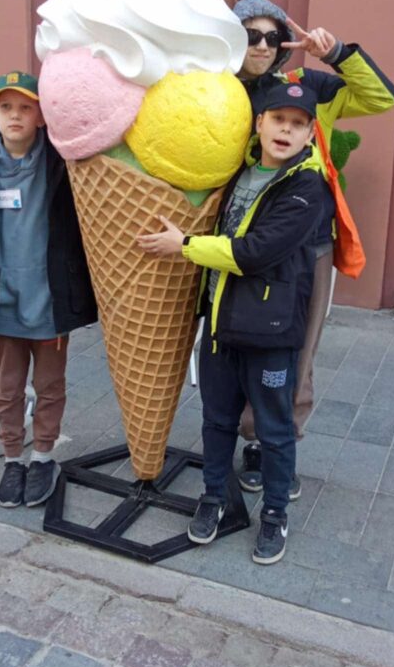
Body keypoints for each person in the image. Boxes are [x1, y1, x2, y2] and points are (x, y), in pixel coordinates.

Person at [137, 80, 325, 564]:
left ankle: (275, 514)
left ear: (310, 134)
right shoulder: (238, 171)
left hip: (271, 333)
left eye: (298, 124)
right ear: (259, 123)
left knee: (274, 430)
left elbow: (256, 252)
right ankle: (214, 497)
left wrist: (184, 246)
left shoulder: (307, 186)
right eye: (278, 119)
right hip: (221, 327)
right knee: (217, 421)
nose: (286, 130)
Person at [232, 0, 394, 492]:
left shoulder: (308, 86)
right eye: (250, 35)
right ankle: (245, 435)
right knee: (237, 346)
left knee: (298, 350)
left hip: (307, 247)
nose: (262, 46)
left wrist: (338, 54)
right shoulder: (217, 92)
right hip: (240, 244)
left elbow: (382, 98)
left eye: (271, 36)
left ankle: (276, 443)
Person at [0, 71, 97, 509]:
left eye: (25, 107)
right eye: (6, 107)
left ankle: (43, 456)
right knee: (8, 387)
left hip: (50, 301)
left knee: (50, 384)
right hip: (1, 301)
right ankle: (13, 459)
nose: (15, 115)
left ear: (41, 115)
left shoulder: (61, 163)